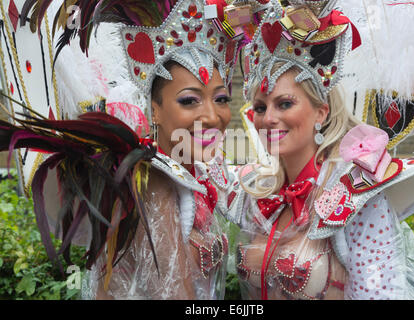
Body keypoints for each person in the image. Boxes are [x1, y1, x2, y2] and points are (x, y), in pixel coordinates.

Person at [0, 0, 268, 299]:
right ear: (155, 111)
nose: (211, 116)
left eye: (219, 99)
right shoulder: (155, 183)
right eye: (189, 100)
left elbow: (246, 189)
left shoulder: (195, 169)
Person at [214, 0, 414, 300]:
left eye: (285, 103)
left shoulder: (356, 196)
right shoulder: (255, 192)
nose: (268, 118)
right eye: (260, 107)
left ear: (321, 112)